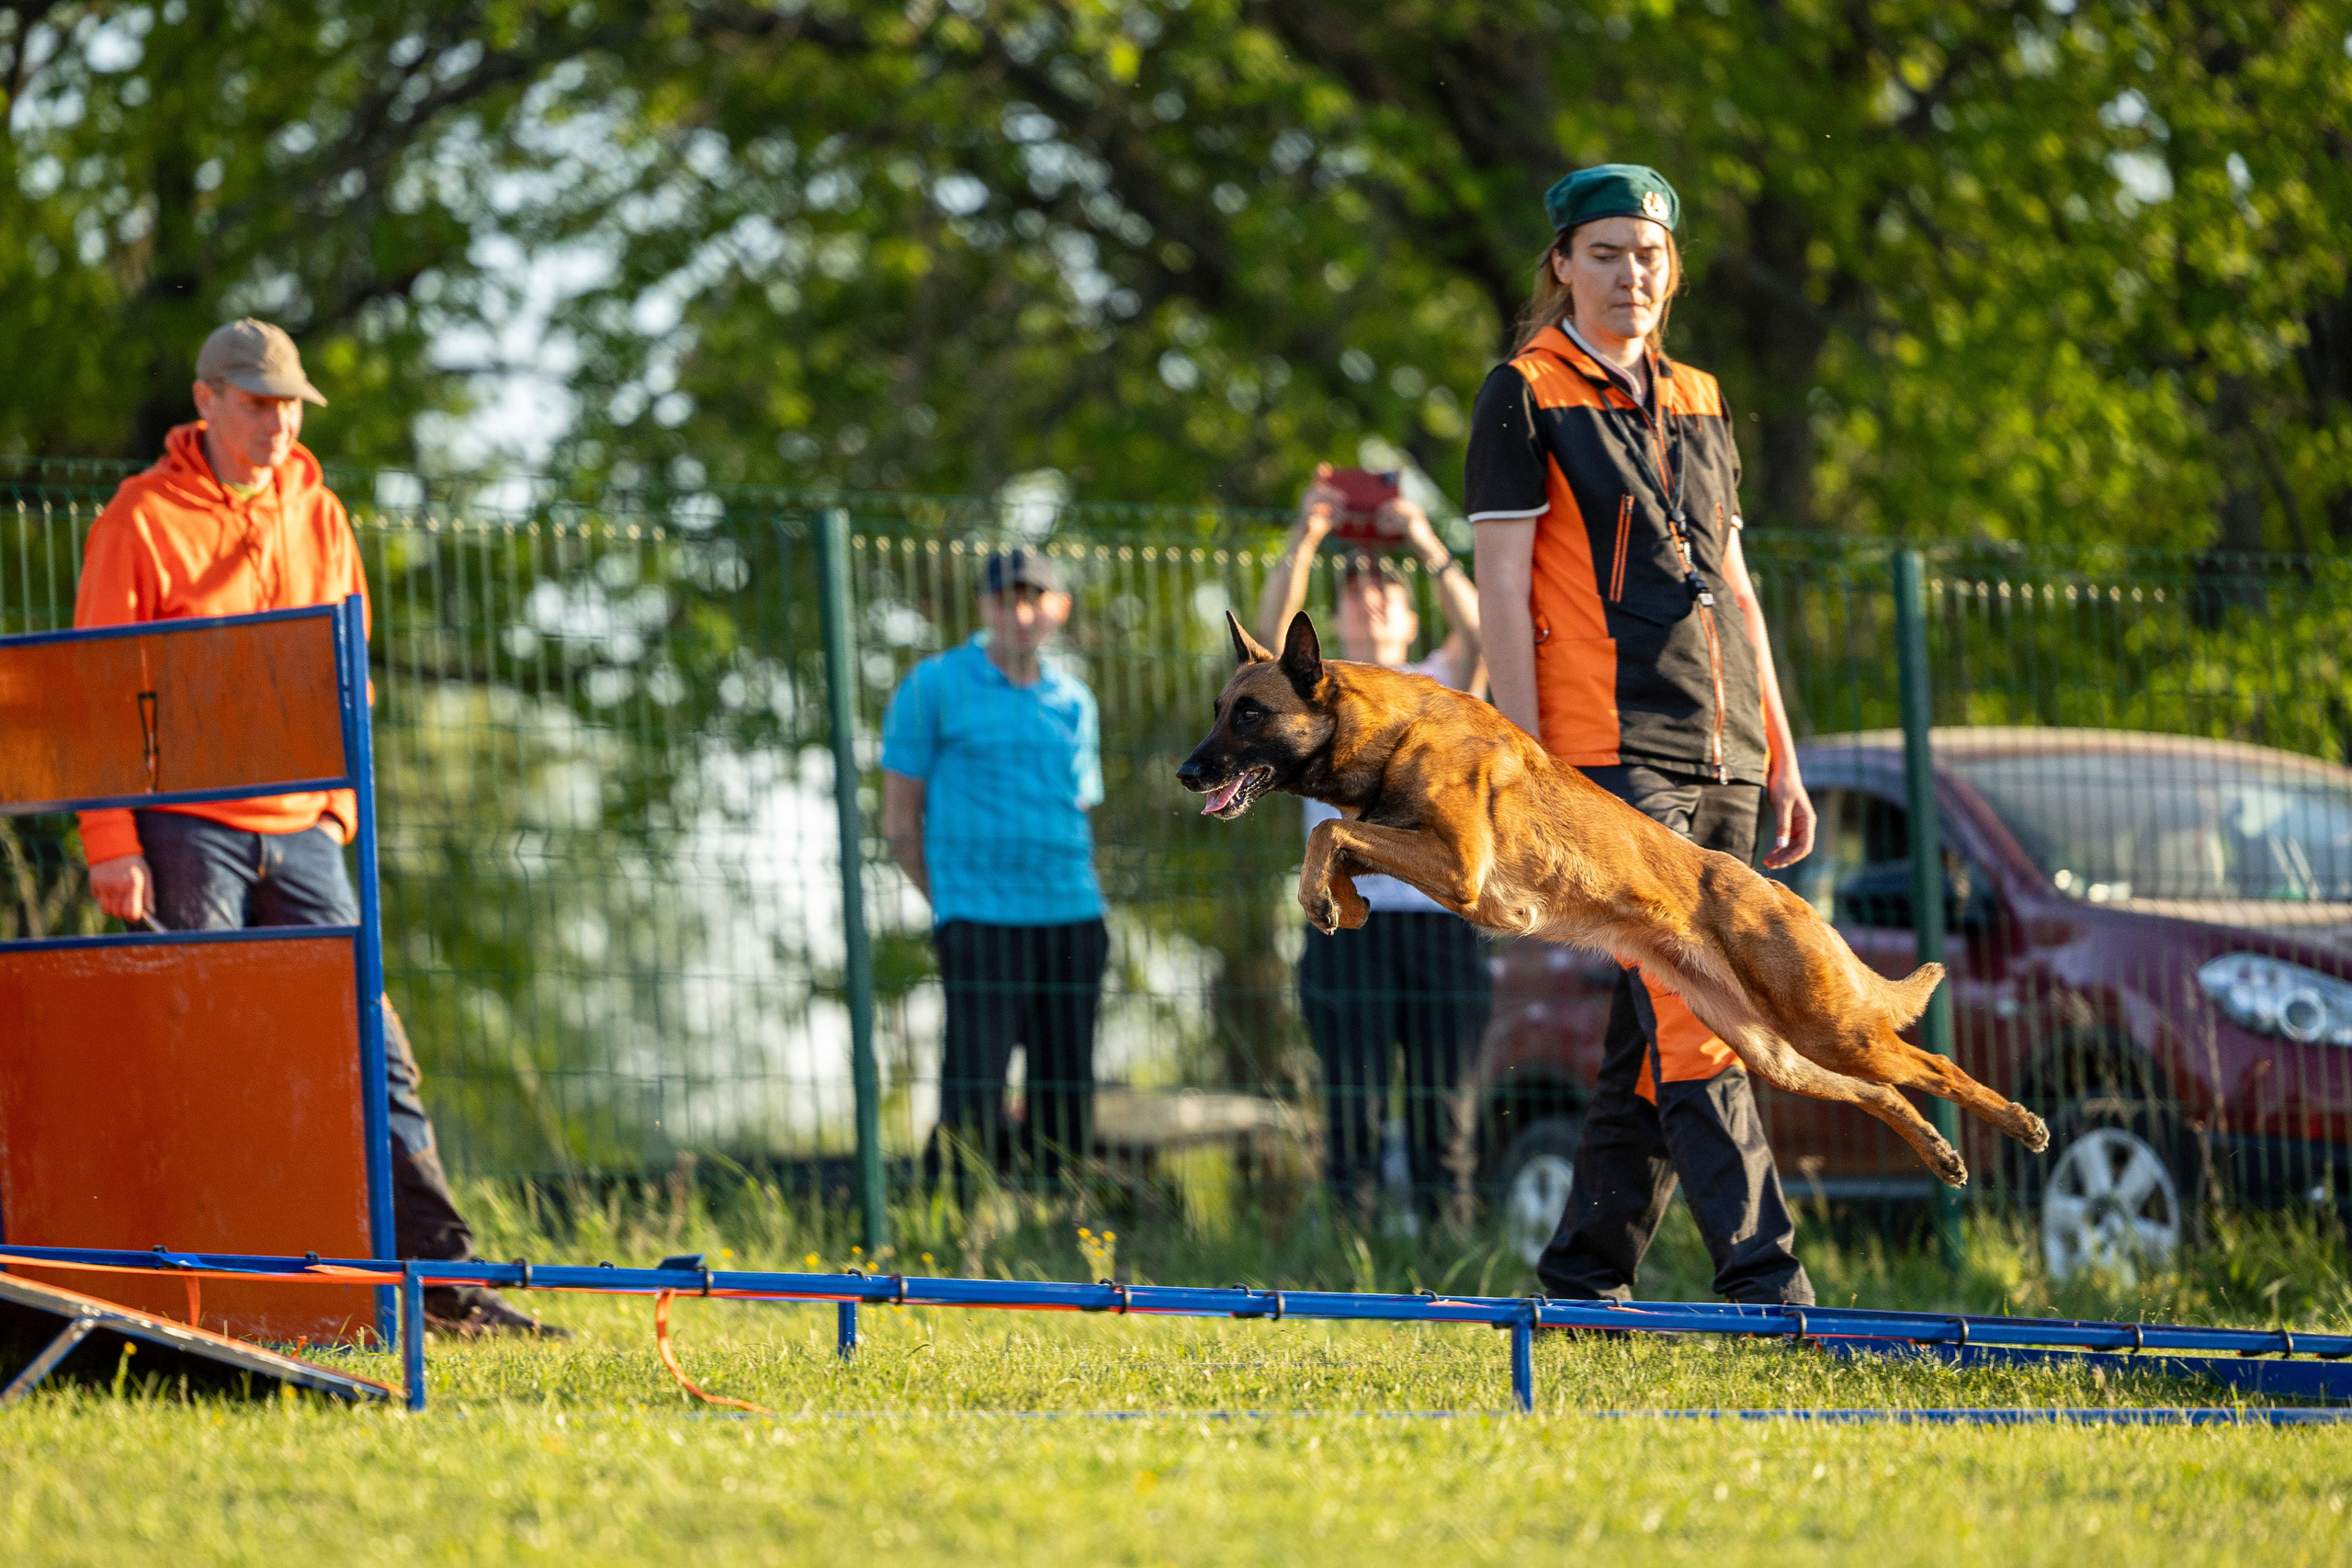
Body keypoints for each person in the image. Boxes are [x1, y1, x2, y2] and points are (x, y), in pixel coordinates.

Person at [76, 319, 556, 1337]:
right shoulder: (139, 518)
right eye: (256, 402)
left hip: (305, 827)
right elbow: (93, 694)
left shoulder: (321, 511)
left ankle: (447, 1289)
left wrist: (336, 807)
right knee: (201, 1052)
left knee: (372, 1048)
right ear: (206, 402)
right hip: (181, 830)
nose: (277, 422)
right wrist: (110, 842)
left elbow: (352, 666)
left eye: (289, 403)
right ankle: (213, 1283)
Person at [1465, 166, 1820, 1304]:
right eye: (1607, 253)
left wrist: (1783, 750)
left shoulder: (1703, 398)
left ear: (1674, 268)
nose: (1632, 274)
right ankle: (1770, 1283)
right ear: (1562, 264)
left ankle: (1581, 1279)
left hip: (1725, 749)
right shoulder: (1520, 392)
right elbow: (1503, 591)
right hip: (1603, 752)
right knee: (1699, 999)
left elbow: (1738, 586)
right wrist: (1523, 775)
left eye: (1650, 254)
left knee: (1649, 1032)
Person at [1255, 468, 1487, 1223]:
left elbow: (1485, 632)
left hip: (1438, 919)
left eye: (1386, 591)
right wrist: (1307, 534)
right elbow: (1266, 628)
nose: (1370, 598)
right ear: (1338, 619)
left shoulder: (1437, 683)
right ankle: (1350, 1248)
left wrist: (1421, 538)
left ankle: (1448, 1243)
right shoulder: (1313, 692)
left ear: (1411, 620)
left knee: (1443, 1100)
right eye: (1354, 592)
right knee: (1351, 1096)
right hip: (1346, 921)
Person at [881, 547, 1108, 1201]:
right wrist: (949, 900)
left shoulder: (1075, 701)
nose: (1021, 611)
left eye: (1035, 597)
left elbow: (1077, 810)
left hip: (1072, 917)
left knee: (1067, 1087)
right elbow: (900, 824)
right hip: (978, 918)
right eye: (1007, 598)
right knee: (973, 1082)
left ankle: (1056, 1224)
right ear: (984, 607)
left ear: (1058, 609)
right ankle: (952, 1221)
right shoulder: (933, 686)